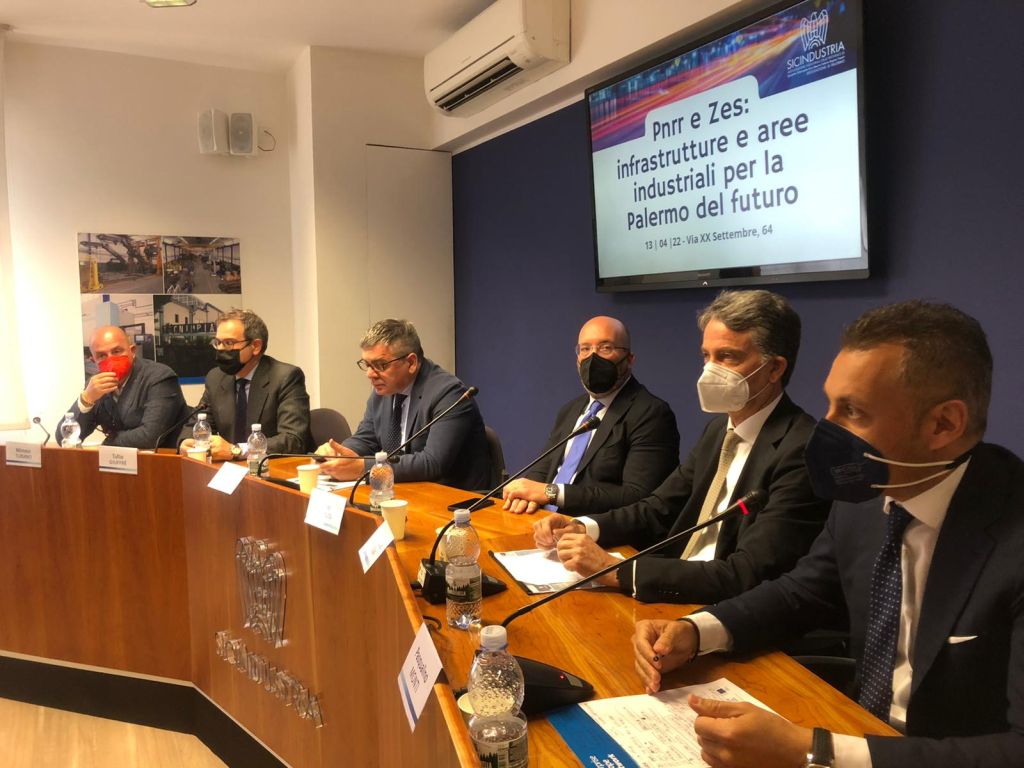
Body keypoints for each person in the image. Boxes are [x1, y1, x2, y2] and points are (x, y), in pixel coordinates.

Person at [633, 301, 1024, 767]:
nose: (827, 428)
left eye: (853, 410)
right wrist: (696, 631)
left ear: (944, 424)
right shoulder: (867, 496)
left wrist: (814, 751)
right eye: (831, 404)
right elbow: (802, 592)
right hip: (852, 725)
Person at [534, 290, 829, 604]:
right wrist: (581, 526)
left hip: (725, 608)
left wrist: (614, 570)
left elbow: (747, 572)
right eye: (706, 356)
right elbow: (657, 508)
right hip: (672, 589)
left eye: (727, 356)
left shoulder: (802, 449)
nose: (709, 370)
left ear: (774, 369)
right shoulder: (718, 431)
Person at [501, 316, 679, 516]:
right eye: (585, 349)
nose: (593, 358)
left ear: (629, 359)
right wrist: (524, 494)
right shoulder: (571, 409)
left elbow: (638, 496)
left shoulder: (651, 413)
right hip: (540, 520)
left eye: (605, 348)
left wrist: (553, 493)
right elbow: (544, 469)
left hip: (591, 527)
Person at [317, 319, 491, 491]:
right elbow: (366, 439)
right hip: (404, 492)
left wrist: (364, 468)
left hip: (452, 498)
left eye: (380, 365)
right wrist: (339, 454)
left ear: (411, 363)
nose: (370, 374)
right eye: (367, 365)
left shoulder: (449, 394)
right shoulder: (383, 390)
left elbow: (433, 463)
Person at [178, 309, 311, 460]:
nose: (220, 349)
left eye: (229, 343)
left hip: (270, 467)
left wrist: (237, 450)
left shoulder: (286, 377)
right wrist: (185, 442)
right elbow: (198, 422)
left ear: (256, 346)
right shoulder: (216, 378)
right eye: (217, 343)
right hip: (229, 470)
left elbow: (293, 439)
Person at [63, 325, 187, 449]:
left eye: (116, 351)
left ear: (132, 351)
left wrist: (108, 442)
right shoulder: (95, 384)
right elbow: (65, 438)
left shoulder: (159, 376)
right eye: (102, 355)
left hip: (163, 457)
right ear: (93, 360)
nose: (110, 359)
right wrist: (86, 399)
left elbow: (149, 436)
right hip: (117, 460)